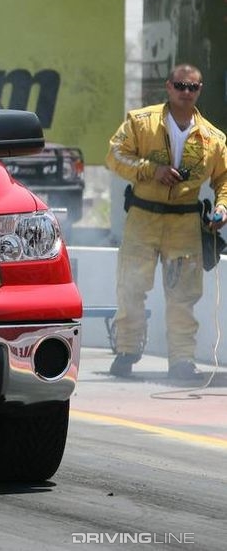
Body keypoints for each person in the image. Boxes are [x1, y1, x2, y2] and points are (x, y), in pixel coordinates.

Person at [105, 63, 227, 380]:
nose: (186, 92)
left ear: (200, 91)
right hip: (142, 217)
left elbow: (224, 180)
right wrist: (151, 170)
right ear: (168, 86)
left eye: (193, 87)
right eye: (180, 85)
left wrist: (223, 208)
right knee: (131, 288)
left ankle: (182, 361)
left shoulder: (213, 138)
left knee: (183, 296)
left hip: (185, 223)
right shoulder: (139, 122)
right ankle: (127, 351)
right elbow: (115, 156)